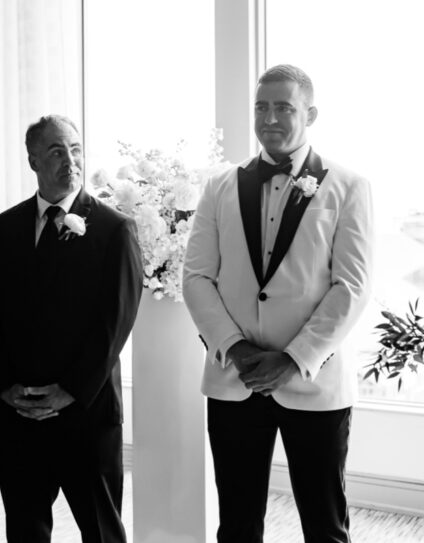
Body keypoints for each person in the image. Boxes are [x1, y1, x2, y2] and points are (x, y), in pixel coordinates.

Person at [183, 64, 373, 543]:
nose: (269, 117)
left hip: (314, 379)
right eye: (261, 107)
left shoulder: (348, 186)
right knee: (238, 524)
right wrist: (235, 348)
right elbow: (197, 277)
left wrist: (293, 359)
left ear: (310, 113)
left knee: (323, 524)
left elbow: (351, 286)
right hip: (234, 378)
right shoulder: (219, 186)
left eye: (283, 107)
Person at [0, 115, 142, 542]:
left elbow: (115, 325)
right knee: (25, 530)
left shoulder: (114, 228)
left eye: (76, 149)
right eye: (55, 151)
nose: (70, 160)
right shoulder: (0, 230)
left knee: (102, 532)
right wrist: (4, 388)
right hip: (18, 414)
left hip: (85, 414)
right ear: (32, 160)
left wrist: (70, 390)